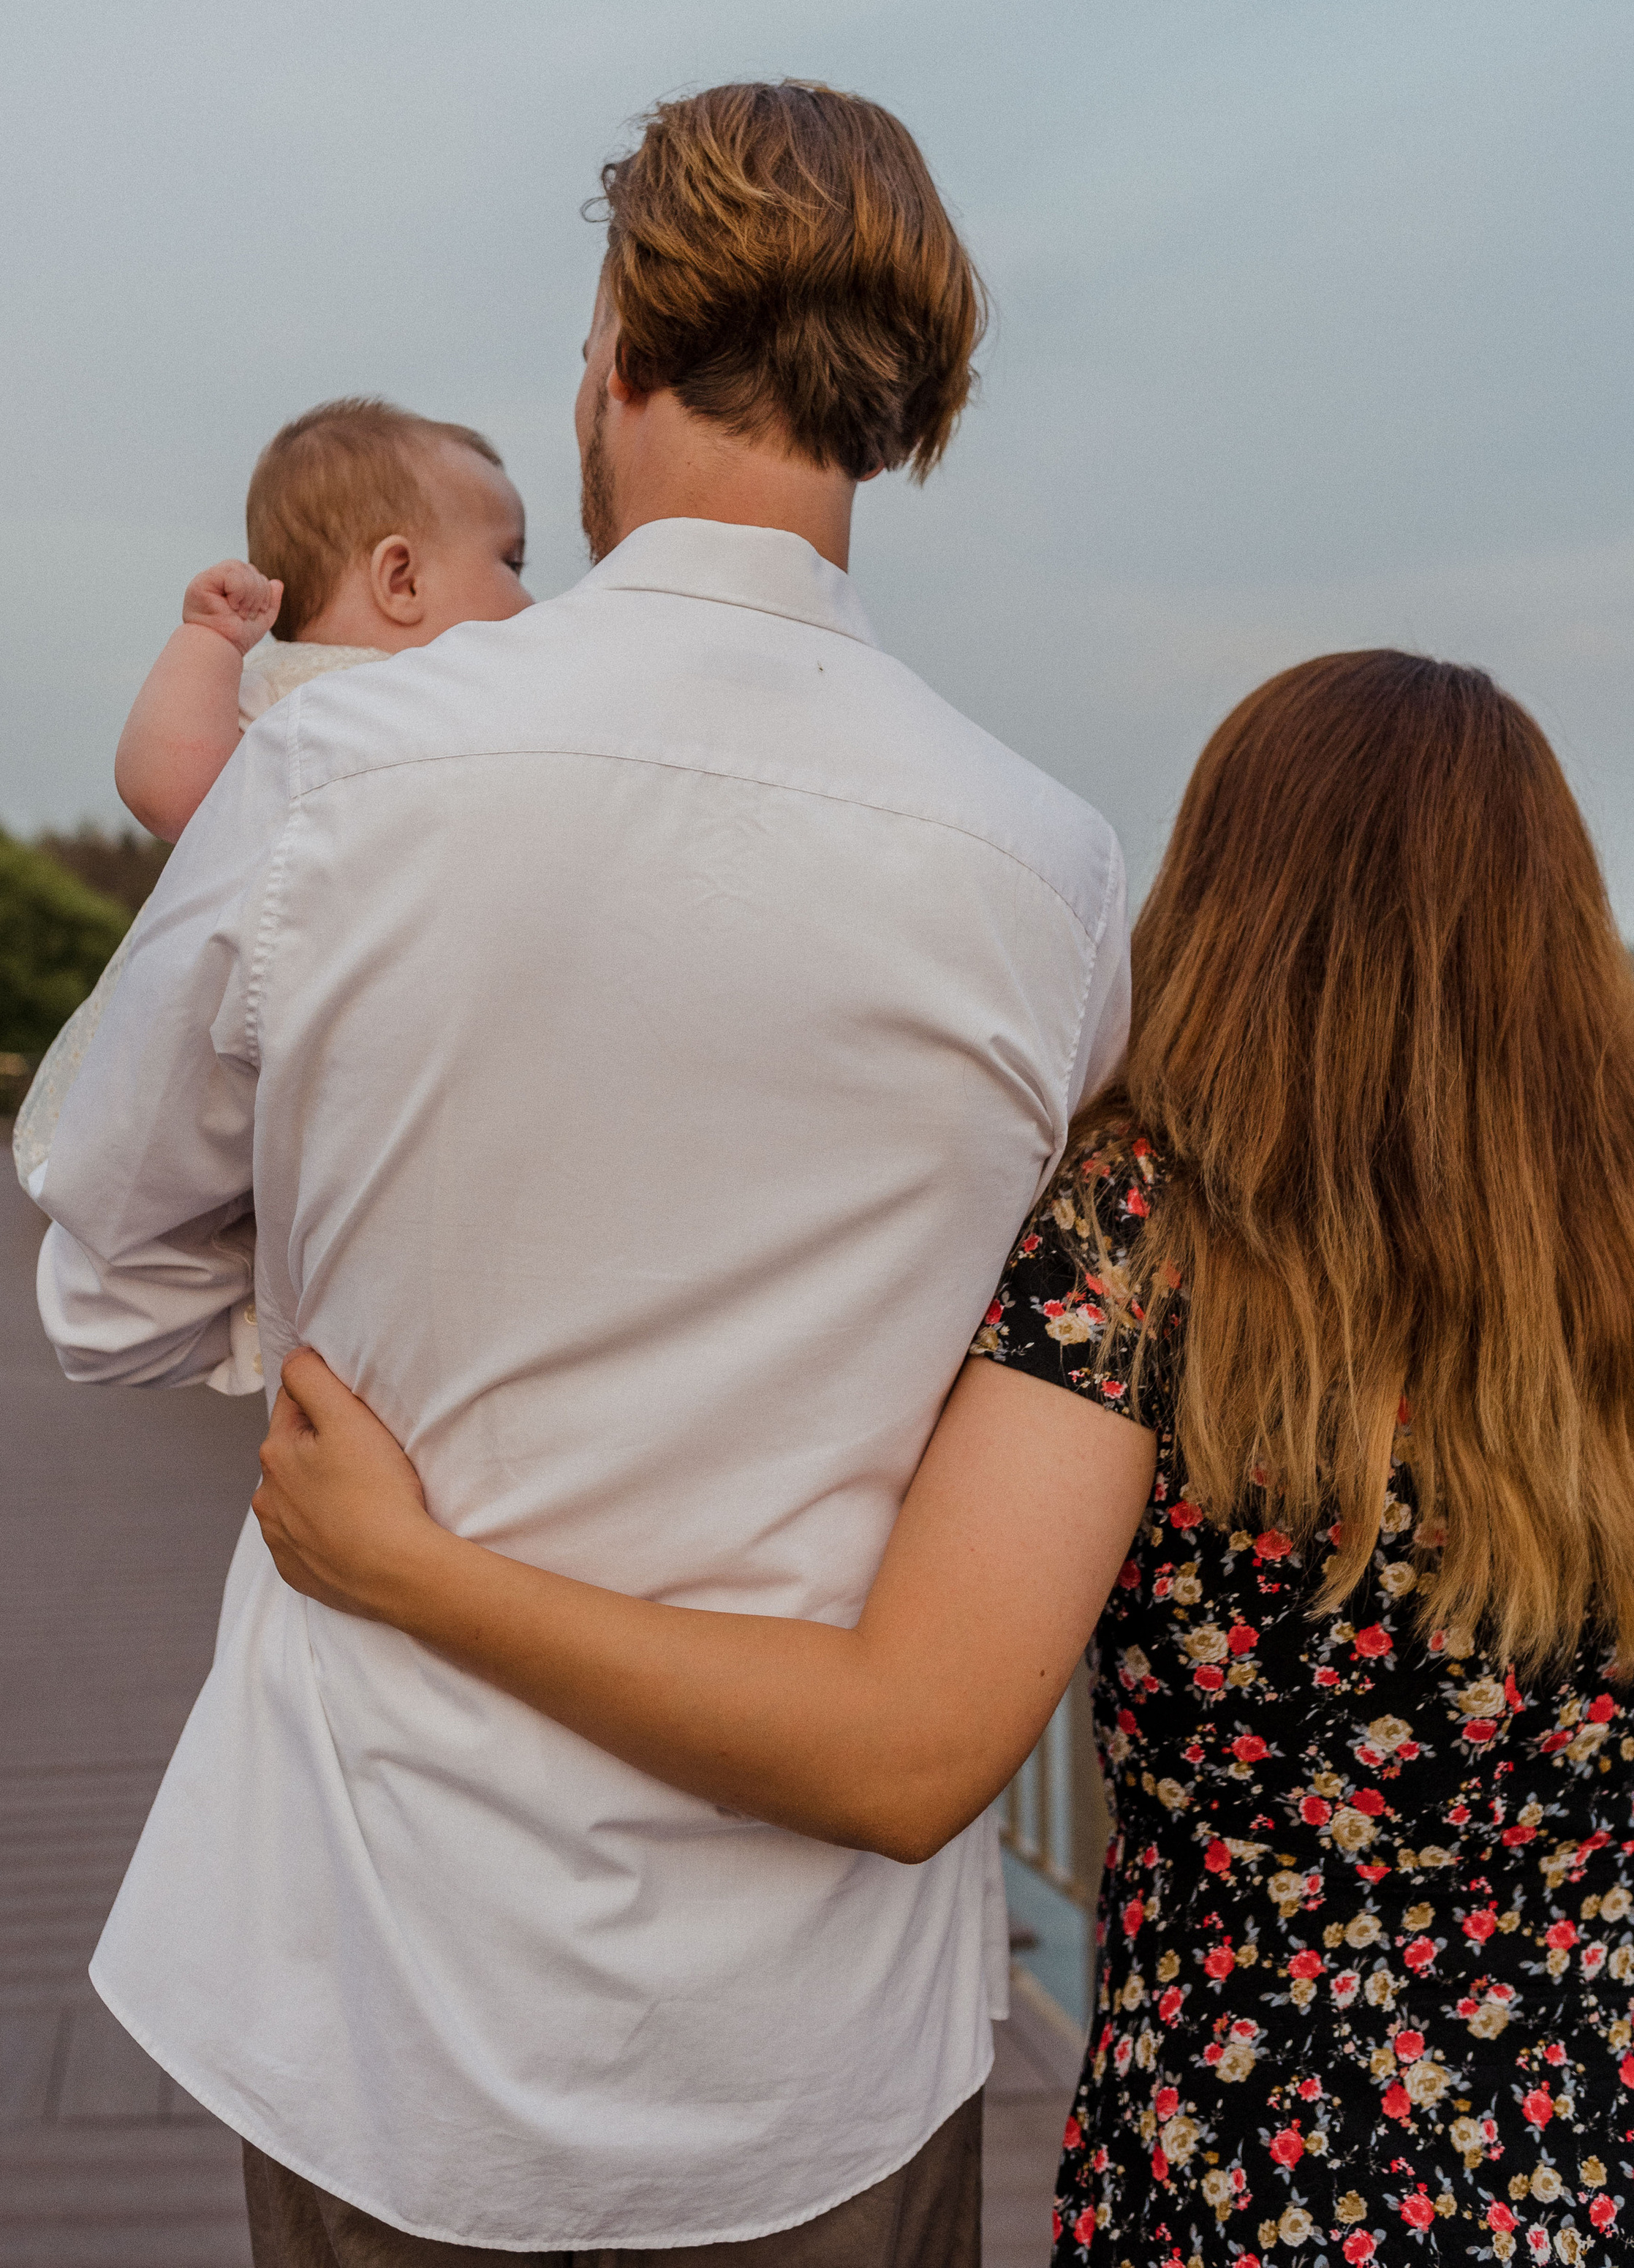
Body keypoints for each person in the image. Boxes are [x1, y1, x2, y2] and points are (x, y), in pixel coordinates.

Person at [29, 78, 1129, 2265]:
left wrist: (347, 1277)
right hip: (811, 2042)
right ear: (902, 407)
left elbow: (109, 1278)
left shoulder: (337, 764)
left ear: (616, 342)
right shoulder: (1054, 871)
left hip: (388, 1976)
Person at [255, 650, 1634, 2263]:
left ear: (1230, 900)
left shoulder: (1148, 1244)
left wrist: (412, 1571)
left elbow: (903, 1757)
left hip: (1255, 2175)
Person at [12, 397, 530, 1237]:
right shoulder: (289, 692)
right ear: (401, 579)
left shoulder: (478, 710)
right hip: (249, 1045)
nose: (531, 597)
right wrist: (210, 644)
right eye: (511, 560)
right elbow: (168, 791)